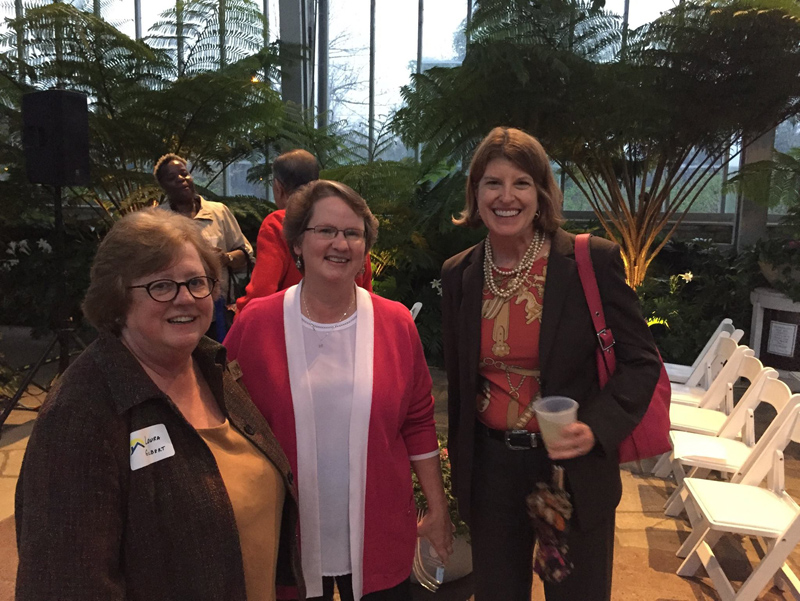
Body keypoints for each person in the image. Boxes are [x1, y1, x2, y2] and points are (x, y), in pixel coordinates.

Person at [15, 208, 303, 601]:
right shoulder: (81, 416)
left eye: (196, 282)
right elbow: (62, 583)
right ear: (116, 298)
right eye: (161, 286)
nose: (185, 299)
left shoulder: (213, 369)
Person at [440, 127, 661, 601]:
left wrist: (597, 426)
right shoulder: (458, 273)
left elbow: (641, 361)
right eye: (491, 183)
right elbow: (460, 382)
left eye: (521, 182)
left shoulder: (589, 261)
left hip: (569, 468)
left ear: (541, 193)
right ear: (475, 194)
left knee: (576, 594)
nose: (506, 196)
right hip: (491, 469)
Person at [224, 180, 452, 601]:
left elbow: (418, 420)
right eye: (325, 231)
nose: (340, 243)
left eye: (353, 233)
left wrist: (437, 509)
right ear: (297, 242)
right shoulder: (256, 325)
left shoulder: (396, 323)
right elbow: (224, 418)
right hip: (283, 535)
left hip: (379, 530)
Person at [236, 149, 372, 313]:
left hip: (286, 327)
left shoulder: (278, 223)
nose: (340, 244)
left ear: (278, 187)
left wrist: (241, 318)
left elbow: (261, 292)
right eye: (325, 231)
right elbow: (366, 293)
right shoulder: (348, 222)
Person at [154, 153, 255, 337]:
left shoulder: (218, 212)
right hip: (179, 307)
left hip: (220, 306)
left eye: (184, 173)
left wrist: (225, 258)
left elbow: (246, 254)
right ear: (163, 186)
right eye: (172, 178)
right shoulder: (159, 220)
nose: (181, 179)